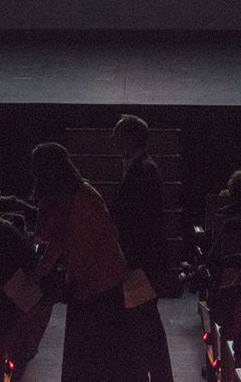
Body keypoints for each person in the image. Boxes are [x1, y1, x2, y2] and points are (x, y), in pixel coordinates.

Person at [31, 142, 140, 381]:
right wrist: (42, 271)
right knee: (91, 357)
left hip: (100, 286)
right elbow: (61, 240)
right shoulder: (76, 194)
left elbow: (82, 248)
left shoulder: (81, 199)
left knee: (92, 358)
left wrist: (56, 278)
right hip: (96, 284)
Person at [107, 116, 175, 382]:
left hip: (140, 265)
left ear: (131, 137)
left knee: (144, 325)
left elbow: (140, 223)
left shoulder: (142, 171)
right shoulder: (143, 168)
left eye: (117, 134)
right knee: (144, 326)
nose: (112, 140)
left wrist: (127, 260)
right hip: (143, 263)